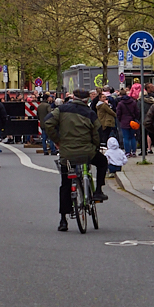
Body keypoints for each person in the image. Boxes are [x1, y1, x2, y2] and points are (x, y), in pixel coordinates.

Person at [43, 90, 109, 232]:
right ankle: (98, 191)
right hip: (87, 152)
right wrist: (95, 147)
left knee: (65, 184)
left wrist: (57, 140)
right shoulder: (90, 113)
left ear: (73, 98)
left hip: (66, 153)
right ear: (86, 100)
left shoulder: (60, 110)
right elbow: (97, 133)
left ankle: (63, 220)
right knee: (102, 162)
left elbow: (47, 122)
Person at [116, 90, 139, 157]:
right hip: (132, 122)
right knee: (132, 137)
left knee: (126, 137)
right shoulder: (133, 102)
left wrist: (121, 120)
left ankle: (127, 152)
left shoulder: (120, 104)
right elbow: (137, 112)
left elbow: (118, 114)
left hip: (124, 122)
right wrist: (135, 118)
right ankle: (134, 151)